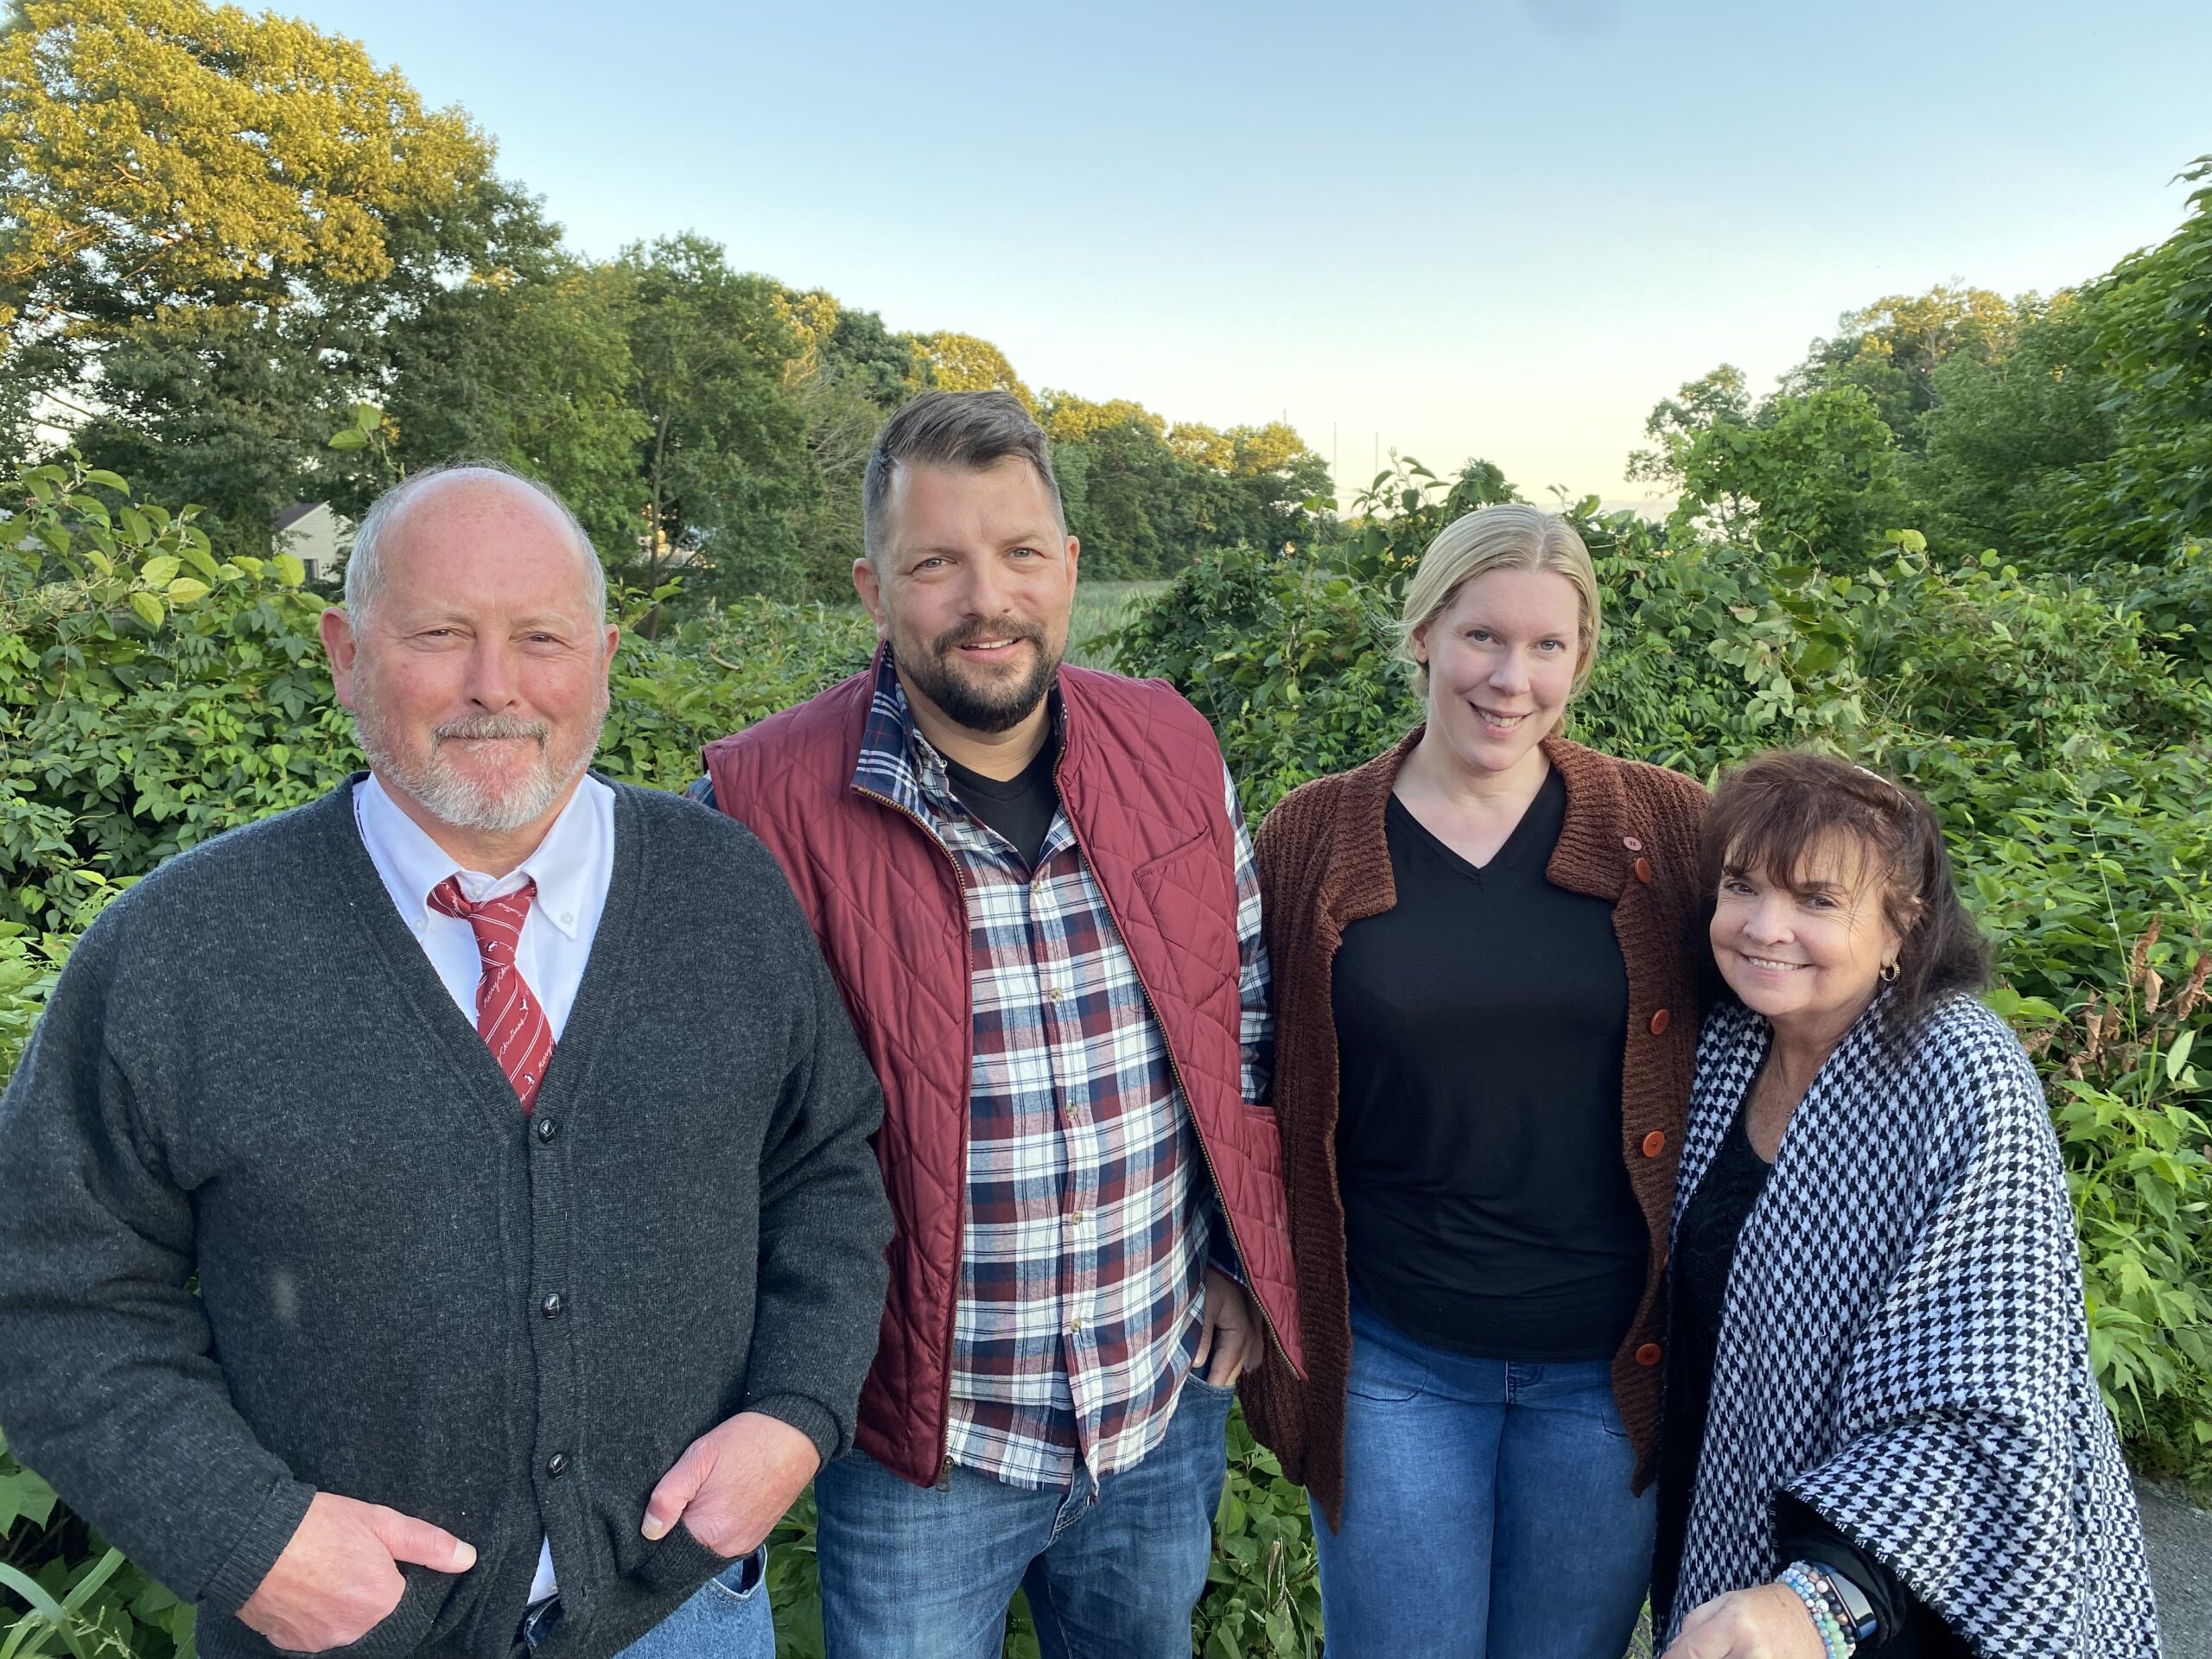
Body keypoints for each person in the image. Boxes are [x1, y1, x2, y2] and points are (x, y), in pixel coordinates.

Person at [0, 462, 893, 1659]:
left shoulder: (725, 895)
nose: (495, 686)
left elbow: (827, 1170)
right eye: (440, 635)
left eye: (541, 637)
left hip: (681, 1616)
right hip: (336, 1640)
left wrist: (796, 1414)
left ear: (604, 657)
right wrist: (241, 1535)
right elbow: (51, 1291)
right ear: (344, 652)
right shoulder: (183, 949)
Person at [694, 389, 1304, 1658]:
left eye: (1022, 553)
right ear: (873, 587)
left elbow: (1243, 1010)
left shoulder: (1175, 746)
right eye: (937, 563)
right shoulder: (755, 804)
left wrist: (1238, 1259)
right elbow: (715, 1131)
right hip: (926, 1437)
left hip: (1156, 1401)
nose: (988, 599)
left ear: (1069, 568)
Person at [1240, 503, 1707, 1658]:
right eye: (1481, 637)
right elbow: (1240, 1072)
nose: (1512, 678)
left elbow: (1798, 971)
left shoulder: (1665, 828)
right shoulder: (1311, 837)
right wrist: (1225, 1264)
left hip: (1606, 1374)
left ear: (1582, 660)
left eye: (1549, 646)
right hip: (1395, 1363)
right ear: (1423, 636)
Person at [1655, 750, 2161, 1657]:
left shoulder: (1956, 1076)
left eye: (1817, 900)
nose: (1765, 927)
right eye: (1741, 887)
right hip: (1726, 1529)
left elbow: (1988, 1394)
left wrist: (1824, 1598)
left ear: (1901, 928)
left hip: (1916, 1587)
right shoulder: (1724, 1045)